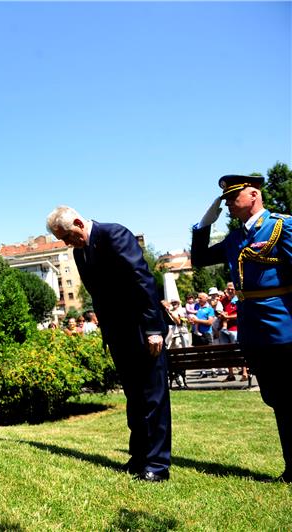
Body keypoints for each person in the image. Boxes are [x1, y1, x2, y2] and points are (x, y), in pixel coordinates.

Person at [47, 205, 171, 482]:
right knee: (135, 399)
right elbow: (99, 296)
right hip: (119, 333)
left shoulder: (114, 234)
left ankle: (158, 465)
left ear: (78, 222)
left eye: (67, 236)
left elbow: (143, 280)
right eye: (62, 240)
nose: (67, 243)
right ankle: (139, 457)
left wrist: (153, 328)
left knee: (154, 397)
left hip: (142, 328)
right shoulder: (80, 252)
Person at [191, 174, 292, 482]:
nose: (229, 205)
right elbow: (199, 258)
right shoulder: (235, 238)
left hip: (283, 326)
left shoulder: (281, 226)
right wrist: (203, 225)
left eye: (233, 198)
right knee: (277, 399)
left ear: (253, 195)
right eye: (225, 201)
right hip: (253, 330)